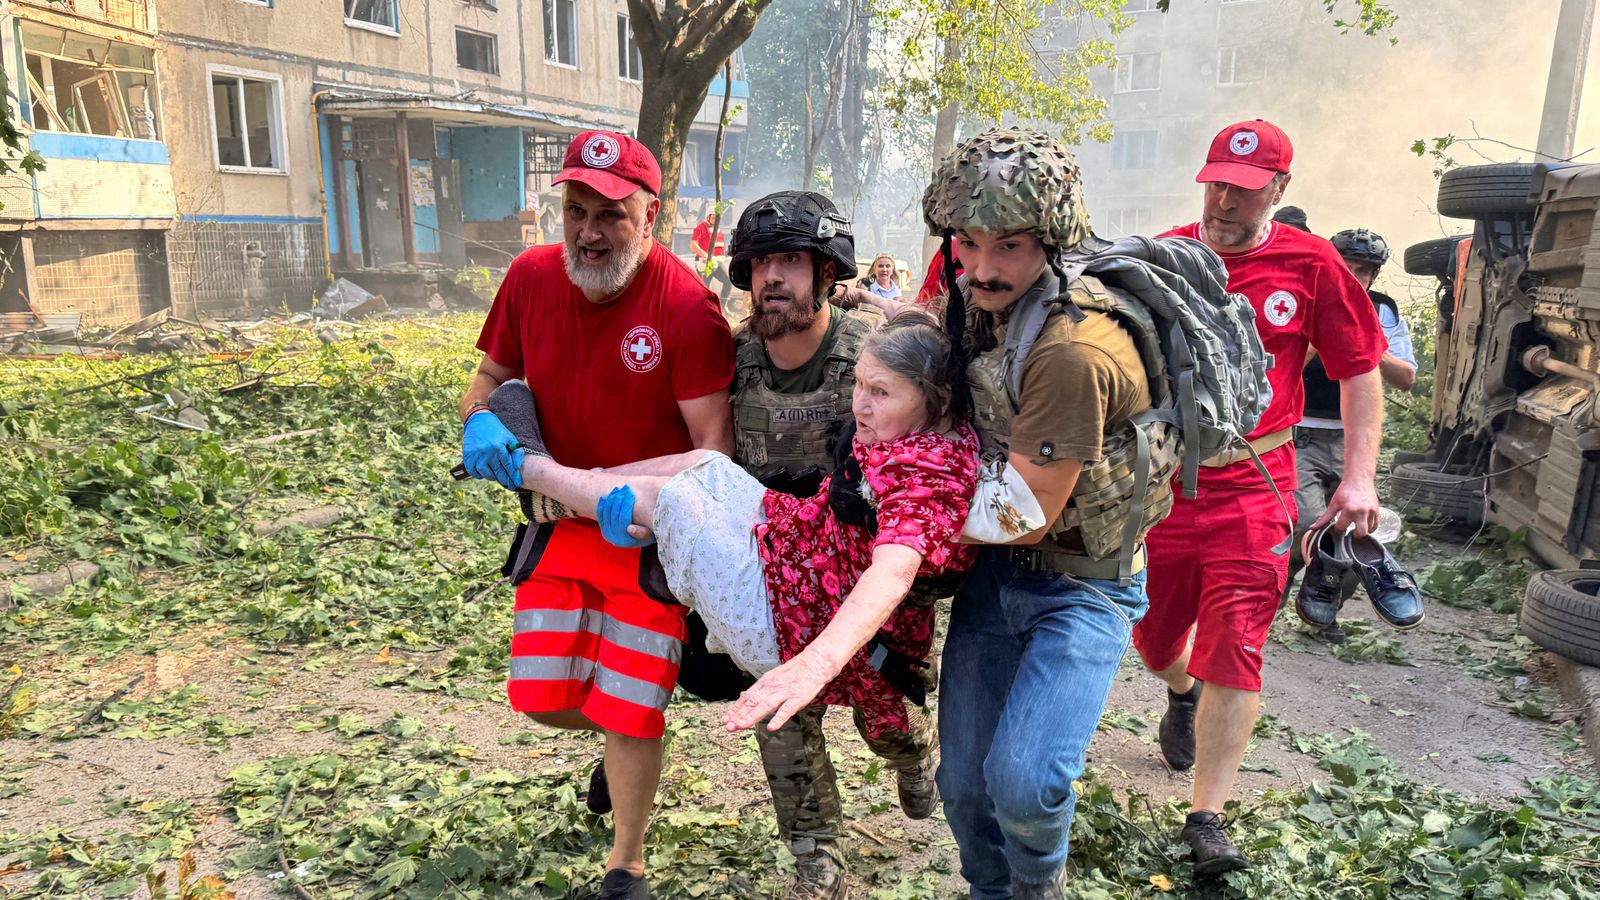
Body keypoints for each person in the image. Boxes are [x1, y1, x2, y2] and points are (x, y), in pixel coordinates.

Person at [456, 130, 735, 900]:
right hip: (557, 524)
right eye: (577, 210)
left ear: (651, 216)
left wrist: (661, 513)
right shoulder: (528, 277)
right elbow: (487, 378)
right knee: (541, 698)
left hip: (640, 535)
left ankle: (627, 863)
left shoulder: (685, 308)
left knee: (629, 706)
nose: (589, 231)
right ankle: (626, 739)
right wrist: (480, 418)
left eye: (610, 215)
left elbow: (715, 452)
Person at [925, 128, 1177, 899]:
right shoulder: (979, 302)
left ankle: (1037, 890)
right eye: (968, 243)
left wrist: (898, 505)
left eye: (1010, 245)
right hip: (995, 575)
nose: (983, 267)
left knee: (1026, 783)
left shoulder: (1074, 349)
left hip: (1083, 585)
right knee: (964, 786)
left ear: (1053, 241)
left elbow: (1023, 512)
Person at [1132, 120, 1387, 875]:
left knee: (1237, 641)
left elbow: (1360, 368)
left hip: (1258, 482)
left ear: (1279, 189)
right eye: (1215, 183)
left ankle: (1206, 818)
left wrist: (1359, 476)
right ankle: (1181, 693)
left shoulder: (1313, 266)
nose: (1223, 202)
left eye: (1242, 192)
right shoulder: (1168, 257)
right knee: (1153, 641)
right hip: (1174, 483)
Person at [723, 191, 938, 900]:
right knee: (781, 713)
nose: (771, 278)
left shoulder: (875, 347)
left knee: (890, 723)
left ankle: (917, 758)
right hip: (777, 569)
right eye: (759, 264)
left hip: (868, 576)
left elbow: (939, 447)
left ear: (826, 271)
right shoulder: (735, 358)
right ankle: (817, 859)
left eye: (789, 261)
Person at [1289, 227, 1418, 643]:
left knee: (1356, 531)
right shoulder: (1301, 300)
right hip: (1301, 432)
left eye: (1364, 271)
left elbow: (1406, 378)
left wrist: (1365, 342)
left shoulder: (1384, 312)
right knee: (1301, 523)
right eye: (1347, 267)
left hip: (1351, 439)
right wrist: (1326, 328)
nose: (1355, 277)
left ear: (1374, 276)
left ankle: (1324, 613)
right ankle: (1266, 601)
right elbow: (1285, 366)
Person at [693, 209, 734, 313]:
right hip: (705, 263)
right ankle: (702, 311)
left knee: (728, 281)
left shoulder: (718, 230)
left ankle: (723, 307)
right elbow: (693, 245)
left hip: (717, 262)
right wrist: (705, 255)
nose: (715, 219)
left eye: (717, 218)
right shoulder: (701, 227)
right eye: (713, 217)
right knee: (704, 289)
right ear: (708, 216)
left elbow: (719, 247)